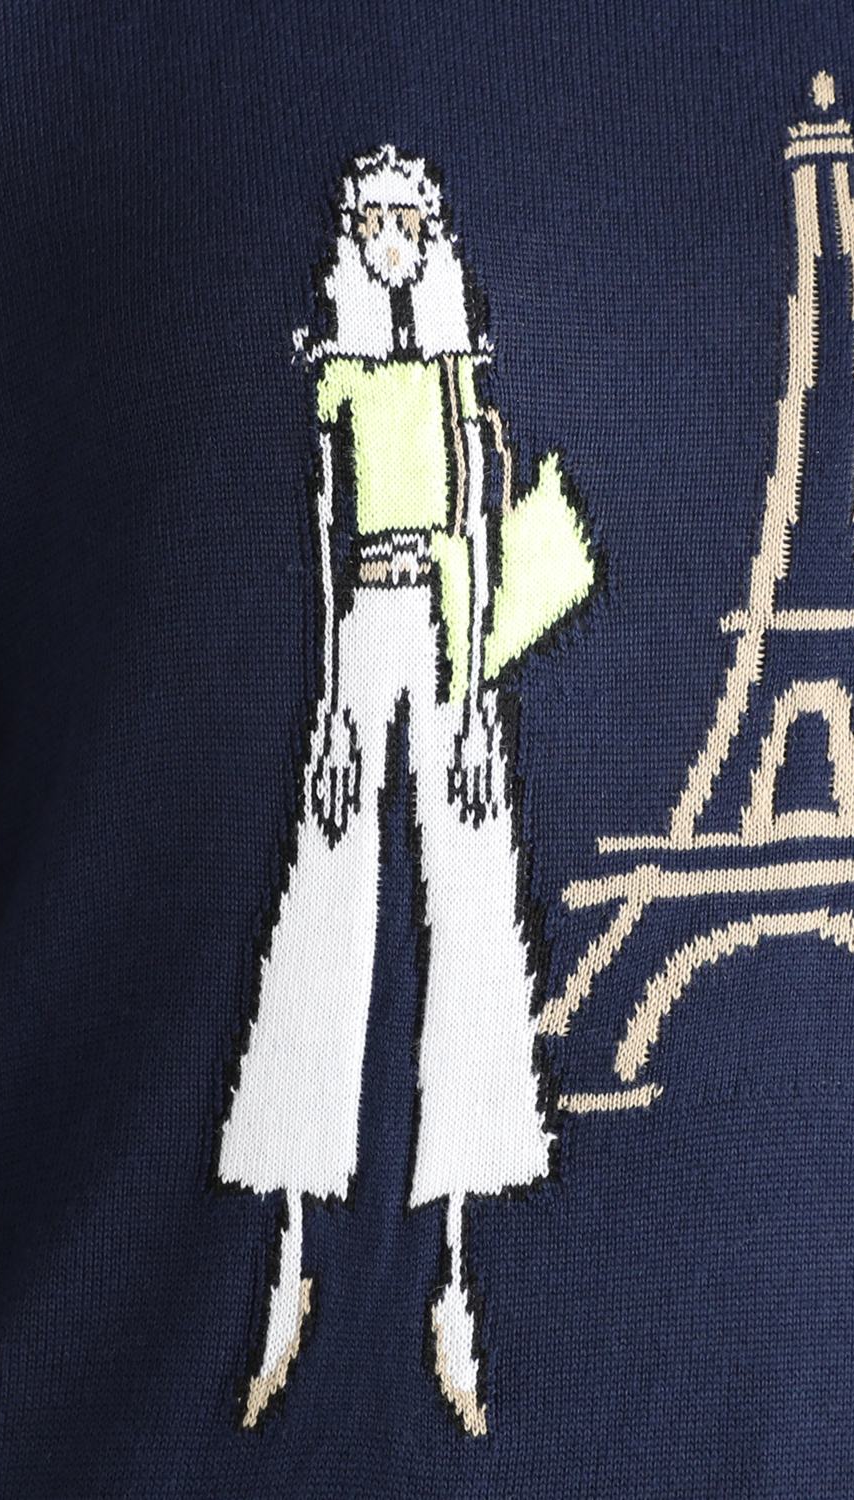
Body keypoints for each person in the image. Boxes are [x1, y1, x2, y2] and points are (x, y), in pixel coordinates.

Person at [217, 147, 588, 1434]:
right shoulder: (341, 385)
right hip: (371, 625)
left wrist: (475, 697)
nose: (387, 238)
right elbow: (332, 552)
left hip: (446, 631)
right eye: (371, 219)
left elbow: (478, 536)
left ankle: (458, 1273)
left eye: (405, 221)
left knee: (471, 900)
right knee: (325, 896)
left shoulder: (457, 386)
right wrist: (332, 712)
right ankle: (290, 1252)